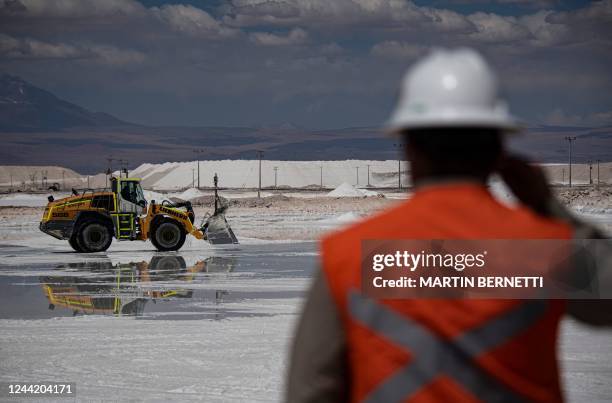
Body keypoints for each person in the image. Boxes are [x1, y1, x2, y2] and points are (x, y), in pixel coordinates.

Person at [285, 48, 611, 403]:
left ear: (409, 148)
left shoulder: (348, 253)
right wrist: (547, 207)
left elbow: (310, 389)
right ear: (499, 150)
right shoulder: (545, 247)